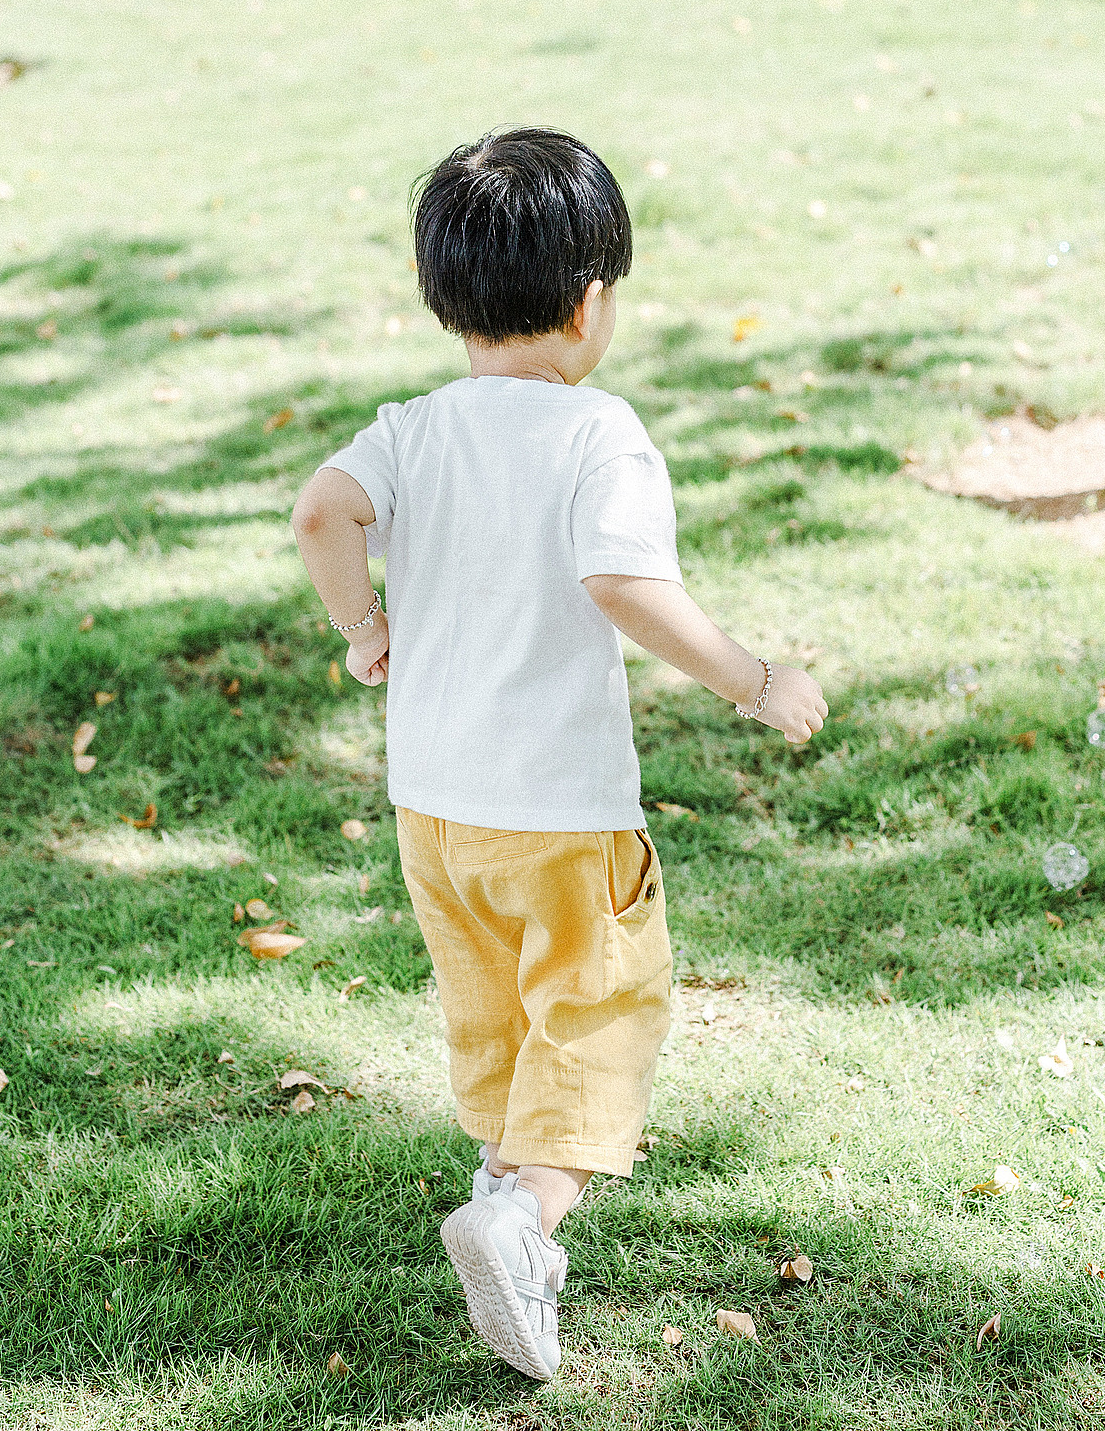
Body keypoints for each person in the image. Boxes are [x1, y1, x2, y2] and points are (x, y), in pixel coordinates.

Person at [291, 126, 827, 1382]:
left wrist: (363, 627)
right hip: (560, 812)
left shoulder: (411, 428)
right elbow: (622, 582)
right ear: (590, 305)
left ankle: (498, 1172)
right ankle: (525, 1222)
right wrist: (756, 682)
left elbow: (321, 510)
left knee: (489, 1003)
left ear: (445, 298)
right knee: (598, 1010)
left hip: (434, 808)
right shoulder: (599, 435)